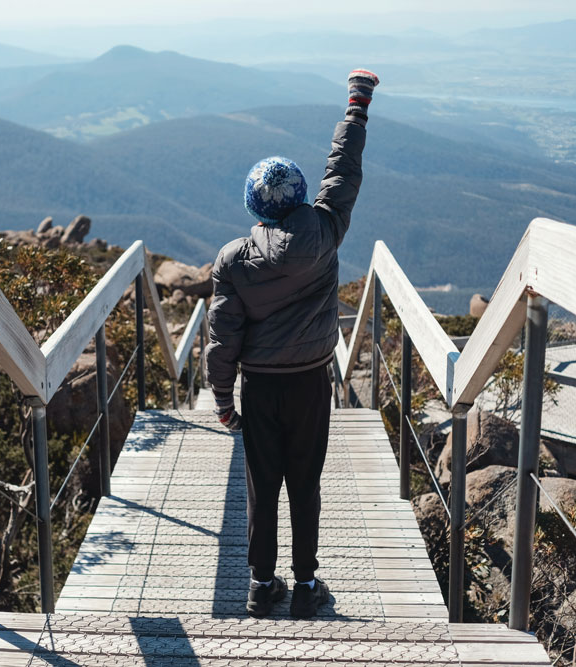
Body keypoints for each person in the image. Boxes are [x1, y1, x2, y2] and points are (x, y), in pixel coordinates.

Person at [204, 69, 377, 619]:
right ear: (301, 194)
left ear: (254, 206)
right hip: (309, 382)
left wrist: (224, 400)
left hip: (258, 388)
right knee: (305, 483)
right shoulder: (325, 230)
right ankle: (306, 586)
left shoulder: (233, 259)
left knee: (262, 486)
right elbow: (343, 170)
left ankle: (260, 585)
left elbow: (223, 335)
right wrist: (357, 105)